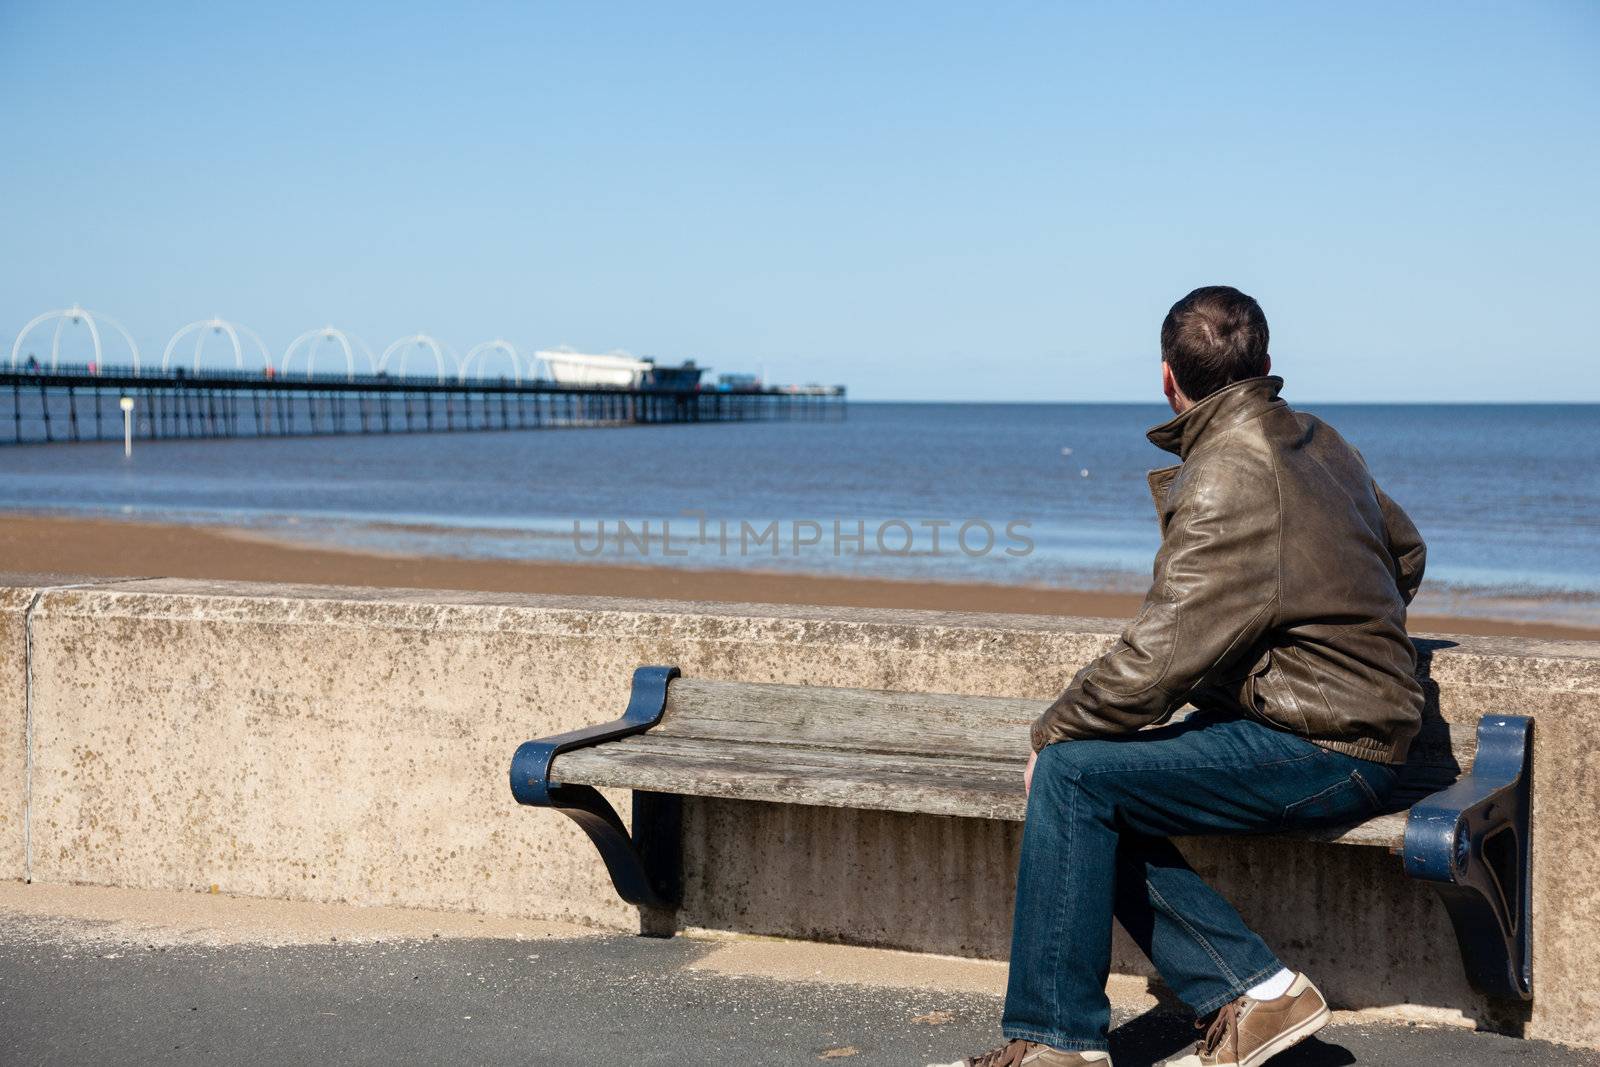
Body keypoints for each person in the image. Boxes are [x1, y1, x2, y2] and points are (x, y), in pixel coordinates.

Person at [934, 286, 1426, 1067]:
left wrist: (1049, 732)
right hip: (1348, 727)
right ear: (1266, 365)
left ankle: (1058, 1042)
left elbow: (1157, 660)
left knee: (1069, 775)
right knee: (1096, 787)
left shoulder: (1230, 471)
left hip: (1327, 746)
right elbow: (1406, 554)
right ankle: (1253, 990)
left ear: (1169, 379)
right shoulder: (1321, 439)